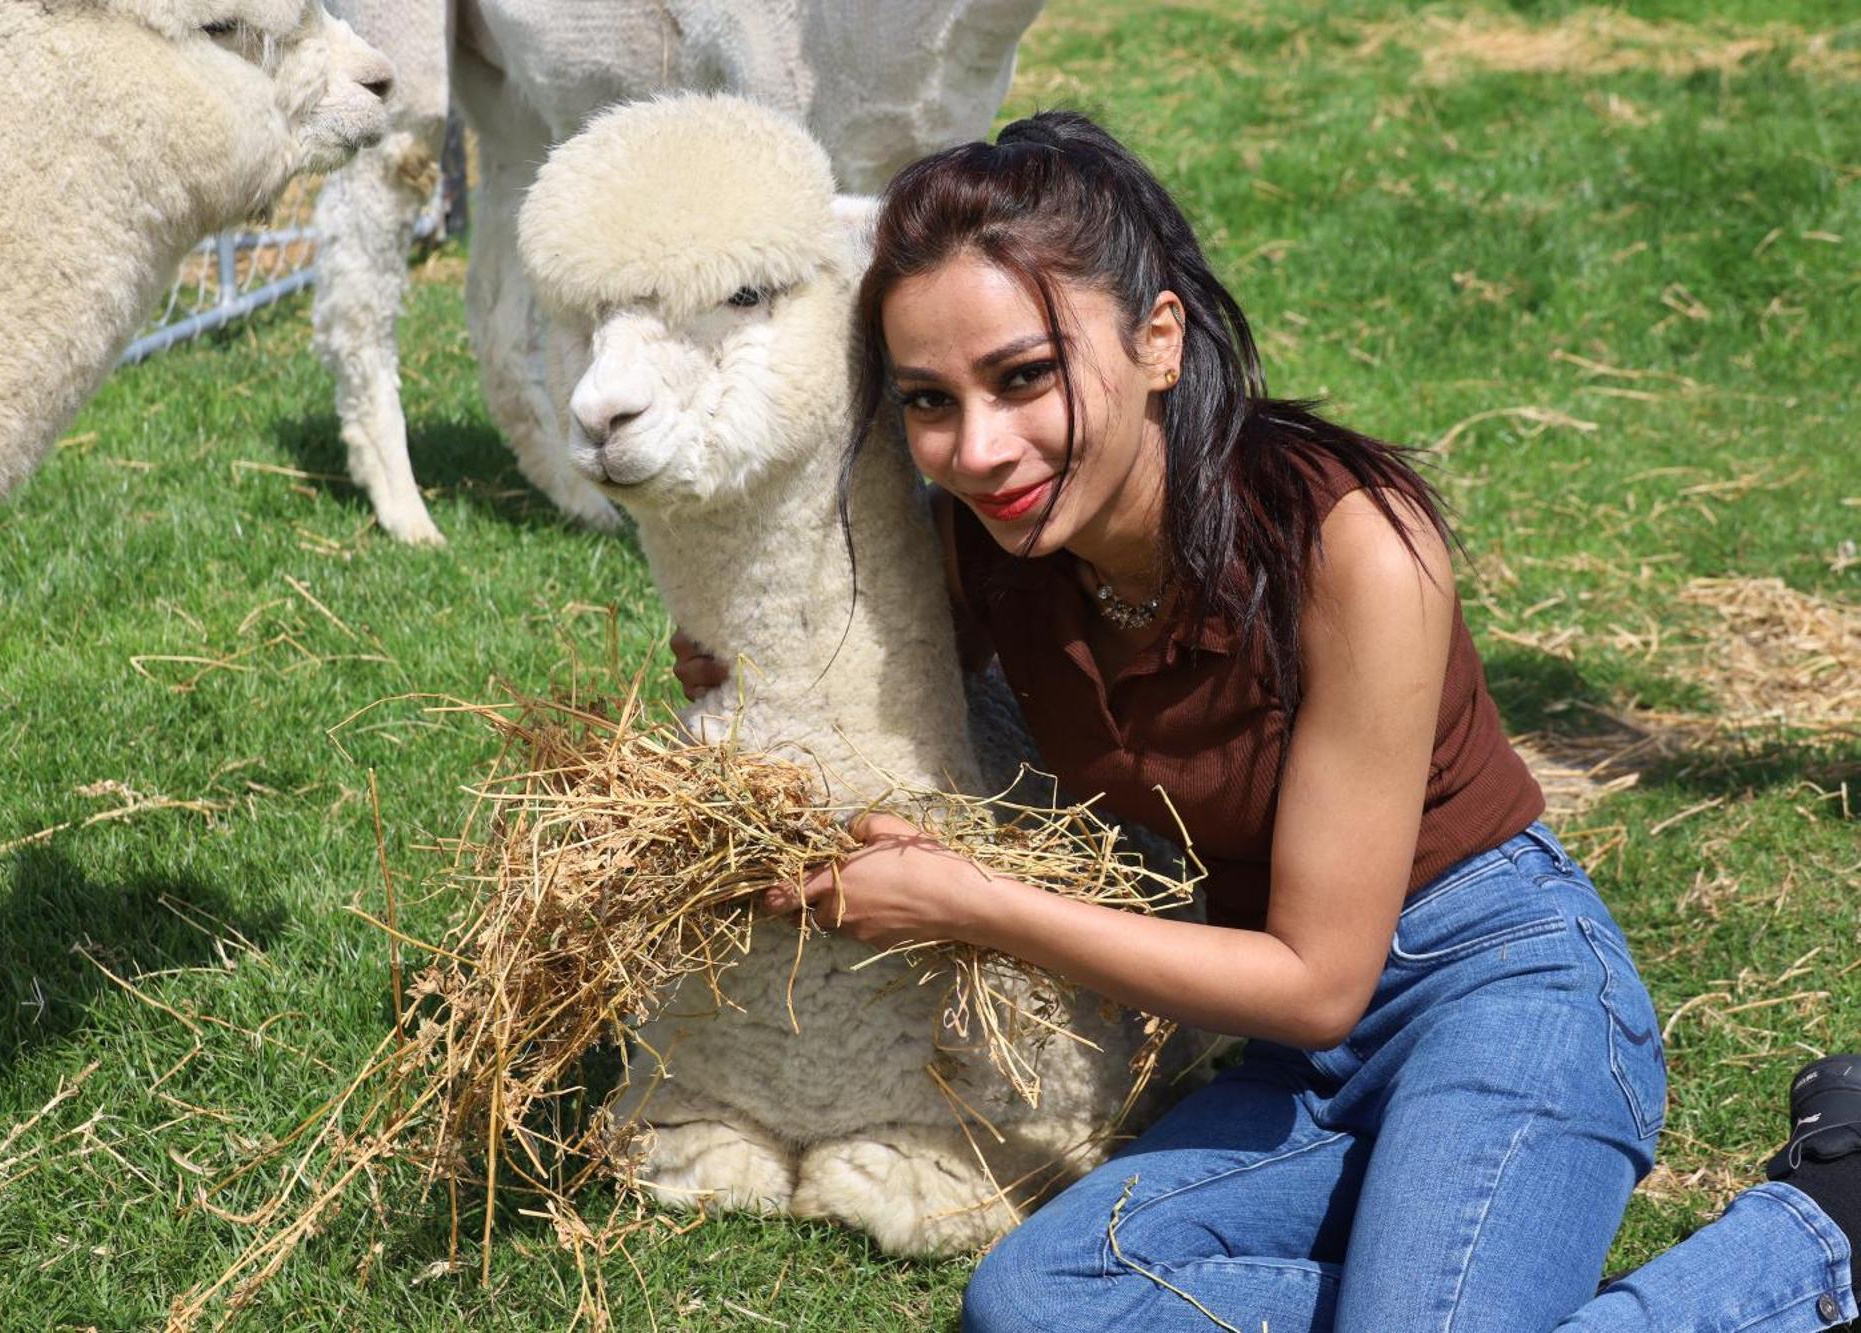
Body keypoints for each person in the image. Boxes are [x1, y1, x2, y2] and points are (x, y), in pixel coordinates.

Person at [669, 109, 1860, 1331]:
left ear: (1158, 342)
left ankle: (1816, 1232)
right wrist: (761, 673)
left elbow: (1317, 980)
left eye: (1025, 375)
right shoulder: (993, 541)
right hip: (1286, 1055)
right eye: (929, 400)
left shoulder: (1354, 547)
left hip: (1498, 989)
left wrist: (971, 903)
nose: (978, 449)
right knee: (1036, 1301)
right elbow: (891, 699)